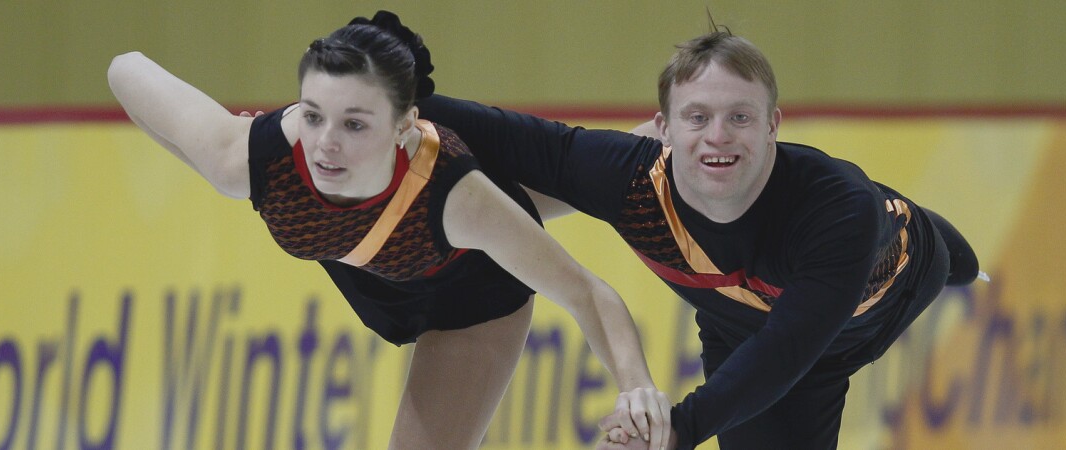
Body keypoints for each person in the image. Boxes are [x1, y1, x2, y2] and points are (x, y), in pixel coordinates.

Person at [106, 11, 672, 450]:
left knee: (574, 177)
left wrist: (637, 387)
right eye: (313, 114)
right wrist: (209, 161)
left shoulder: (456, 194)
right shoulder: (254, 162)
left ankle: (664, 141)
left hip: (473, 297)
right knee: (498, 208)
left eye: (354, 123)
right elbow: (123, 66)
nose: (327, 142)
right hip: (389, 263)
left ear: (404, 125)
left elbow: (587, 293)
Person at [416, 27, 980, 450]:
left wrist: (675, 431)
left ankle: (940, 239)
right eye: (697, 117)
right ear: (662, 128)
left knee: (950, 257)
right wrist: (386, 87)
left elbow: (785, 350)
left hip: (882, 287)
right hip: (742, 325)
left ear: (772, 126)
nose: (718, 137)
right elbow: (501, 134)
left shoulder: (835, 209)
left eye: (740, 117)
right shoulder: (633, 180)